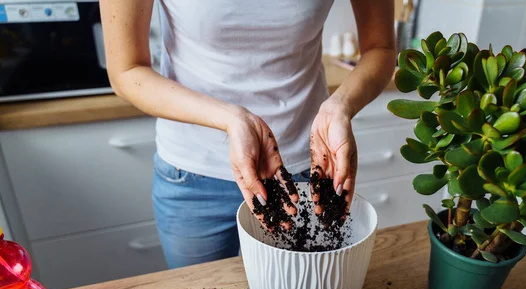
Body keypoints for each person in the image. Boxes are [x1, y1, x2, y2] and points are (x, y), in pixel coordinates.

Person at [100, 0, 395, 268]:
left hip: (302, 171)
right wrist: (231, 118)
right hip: (192, 177)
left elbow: (380, 49)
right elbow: (126, 70)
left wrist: (340, 107)